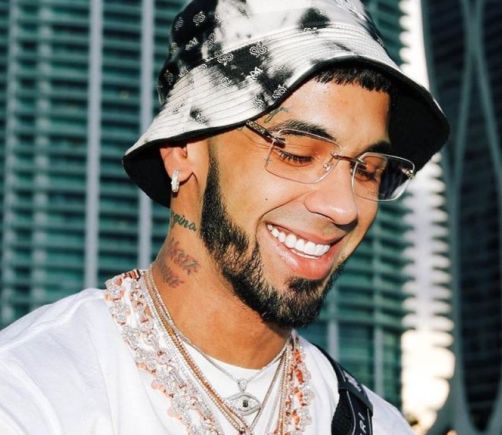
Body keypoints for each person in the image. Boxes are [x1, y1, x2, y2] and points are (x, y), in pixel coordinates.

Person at [0, 0, 449, 434]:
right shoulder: (32, 393)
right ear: (182, 149)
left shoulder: (375, 423)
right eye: (296, 152)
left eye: (368, 170)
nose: (343, 207)